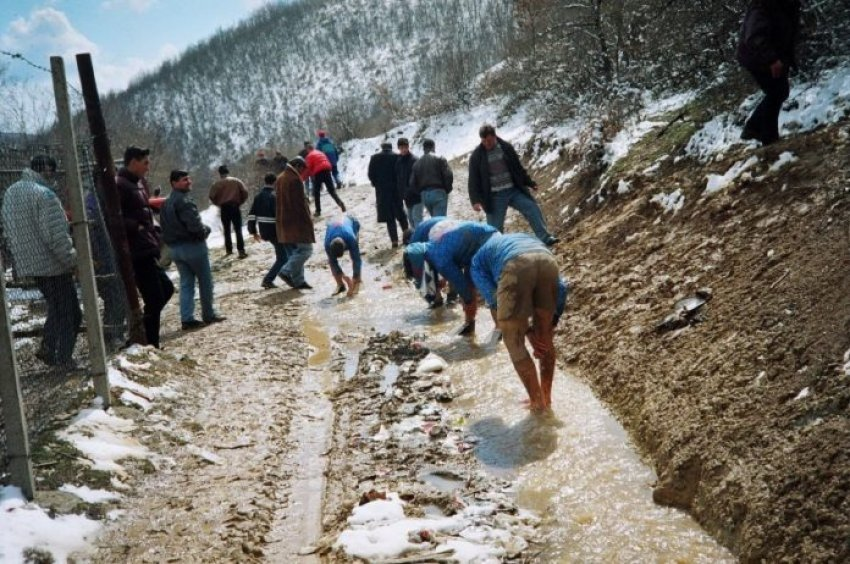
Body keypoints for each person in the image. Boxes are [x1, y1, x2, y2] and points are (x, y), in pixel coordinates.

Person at [470, 233, 568, 411]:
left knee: (513, 339)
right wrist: (551, 322)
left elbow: (495, 301)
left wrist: (525, 330)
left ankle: (537, 404)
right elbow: (562, 287)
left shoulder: (477, 263)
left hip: (515, 265)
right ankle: (547, 397)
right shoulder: (519, 238)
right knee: (544, 338)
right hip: (548, 260)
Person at [2, 155, 81, 366]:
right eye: (51, 171)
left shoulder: (12, 192)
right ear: (45, 169)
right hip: (53, 265)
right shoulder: (45, 195)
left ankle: (48, 347)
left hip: (30, 263)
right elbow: (56, 237)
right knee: (71, 314)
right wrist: (73, 262)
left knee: (57, 308)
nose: (53, 176)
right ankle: (64, 359)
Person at [116, 146, 174, 349]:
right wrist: (138, 228)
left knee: (166, 289)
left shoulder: (138, 183)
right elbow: (114, 218)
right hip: (135, 252)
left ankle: (144, 339)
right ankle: (148, 343)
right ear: (133, 162)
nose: (148, 167)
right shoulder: (120, 185)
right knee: (155, 297)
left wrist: (152, 231)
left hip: (147, 247)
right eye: (145, 163)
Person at [468, 124, 558, 247]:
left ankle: (545, 237)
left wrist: (529, 182)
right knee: (494, 229)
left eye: (489, 140)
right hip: (494, 196)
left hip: (514, 190)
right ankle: (495, 249)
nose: (486, 144)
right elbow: (473, 180)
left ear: (494, 136)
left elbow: (518, 168)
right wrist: (475, 200)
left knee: (532, 208)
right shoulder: (476, 156)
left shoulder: (506, 148)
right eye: (483, 141)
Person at [403, 220, 498, 335]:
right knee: (470, 285)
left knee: (485, 290)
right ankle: (470, 323)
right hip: (479, 240)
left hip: (488, 241)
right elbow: (453, 259)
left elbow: (462, 286)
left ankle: (499, 329)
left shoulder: (440, 260)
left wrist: (468, 302)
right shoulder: (431, 246)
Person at [160, 170, 225, 330]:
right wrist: (206, 231)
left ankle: (187, 318)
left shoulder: (166, 203)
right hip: (193, 247)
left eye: (188, 178)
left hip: (175, 249)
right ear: (174, 183)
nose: (188, 181)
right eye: (184, 180)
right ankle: (209, 314)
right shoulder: (184, 201)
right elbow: (195, 226)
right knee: (205, 281)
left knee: (186, 283)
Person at [737, 0, 801, 145]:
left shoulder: (788, 5)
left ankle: (757, 129)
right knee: (777, 91)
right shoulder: (763, 5)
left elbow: (786, 32)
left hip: (771, 55)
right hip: (756, 57)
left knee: (778, 91)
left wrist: (786, 58)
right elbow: (753, 37)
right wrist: (771, 59)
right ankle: (765, 135)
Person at [276, 157, 315, 290]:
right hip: (297, 222)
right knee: (306, 250)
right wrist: (308, 221)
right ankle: (286, 271)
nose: (302, 173)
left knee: (298, 251)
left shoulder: (280, 177)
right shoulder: (294, 179)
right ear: (297, 166)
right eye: (302, 169)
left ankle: (299, 281)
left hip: (283, 221)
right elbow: (300, 205)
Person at [247, 173, 288, 289]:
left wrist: (253, 231)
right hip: (275, 232)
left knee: (284, 255)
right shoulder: (274, 196)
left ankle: (284, 275)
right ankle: (268, 279)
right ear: (275, 182)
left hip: (264, 232)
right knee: (283, 257)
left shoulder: (258, 197)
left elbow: (251, 216)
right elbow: (280, 217)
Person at [368, 142, 408, 248]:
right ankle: (407, 235)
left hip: (382, 192)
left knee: (389, 217)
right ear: (391, 148)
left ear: (382, 148)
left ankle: (394, 240)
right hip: (396, 190)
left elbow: (370, 174)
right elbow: (401, 172)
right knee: (401, 214)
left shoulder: (374, 158)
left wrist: (376, 184)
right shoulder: (397, 157)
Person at [209, 164, 249, 258]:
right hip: (235, 207)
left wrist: (219, 204)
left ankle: (229, 250)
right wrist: (240, 202)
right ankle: (241, 251)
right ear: (228, 172)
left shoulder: (216, 184)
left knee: (226, 230)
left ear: (220, 173)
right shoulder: (236, 181)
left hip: (224, 208)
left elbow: (211, 196)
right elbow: (245, 192)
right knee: (238, 229)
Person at [410, 138, 452, 219]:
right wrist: (447, 189)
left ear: (423, 149)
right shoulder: (440, 158)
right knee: (440, 222)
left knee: (434, 220)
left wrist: (421, 192)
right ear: (433, 147)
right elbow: (448, 175)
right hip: (438, 191)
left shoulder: (417, 163)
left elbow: (412, 183)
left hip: (425, 195)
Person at [324, 214, 362, 297]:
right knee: (332, 261)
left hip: (352, 220)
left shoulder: (351, 238)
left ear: (345, 246)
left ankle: (357, 280)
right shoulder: (327, 244)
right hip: (332, 222)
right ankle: (340, 285)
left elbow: (357, 259)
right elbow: (333, 262)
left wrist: (354, 278)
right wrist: (345, 277)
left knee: (354, 255)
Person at [303, 146, 346, 217]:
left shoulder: (309, 156)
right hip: (327, 170)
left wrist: (302, 178)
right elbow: (327, 161)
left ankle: (318, 211)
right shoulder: (320, 153)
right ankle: (340, 203)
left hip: (318, 173)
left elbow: (308, 168)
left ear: (308, 149)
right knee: (332, 191)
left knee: (316, 192)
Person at [395, 138, 421, 228]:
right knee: (410, 219)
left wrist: (414, 190)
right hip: (406, 197)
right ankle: (416, 239)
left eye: (405, 147)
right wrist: (401, 194)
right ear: (398, 148)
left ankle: (420, 239)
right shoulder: (398, 162)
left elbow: (419, 178)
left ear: (408, 147)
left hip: (417, 196)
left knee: (417, 218)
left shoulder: (415, 160)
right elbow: (398, 179)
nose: (403, 149)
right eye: (401, 148)